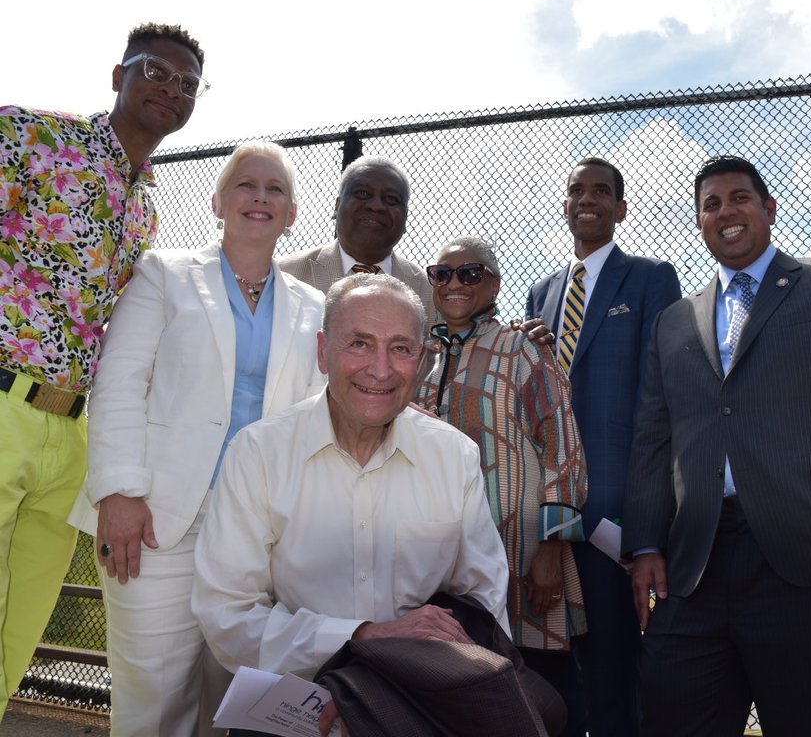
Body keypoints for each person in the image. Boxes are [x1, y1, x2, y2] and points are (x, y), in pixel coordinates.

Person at [623, 155, 811, 735]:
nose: (725, 212)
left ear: (769, 209)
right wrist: (644, 543)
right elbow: (651, 440)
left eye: (739, 198)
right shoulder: (674, 321)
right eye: (711, 204)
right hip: (698, 563)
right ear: (699, 222)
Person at [64, 142, 325, 736]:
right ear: (217, 201)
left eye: (275, 189)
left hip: (261, 534)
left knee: (234, 703)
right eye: (245, 184)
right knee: (153, 701)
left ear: (291, 214)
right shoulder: (162, 274)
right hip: (155, 521)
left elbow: (316, 417)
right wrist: (119, 492)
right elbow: (121, 382)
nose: (259, 196)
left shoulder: (317, 309)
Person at [0, 22, 205, 718]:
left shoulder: (146, 210)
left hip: (74, 445)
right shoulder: (29, 138)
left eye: (187, 84)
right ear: (117, 75)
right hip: (3, 408)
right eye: (156, 71)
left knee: (17, 633)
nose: (171, 90)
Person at [191, 274, 509, 719]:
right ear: (323, 352)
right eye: (358, 343)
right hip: (296, 700)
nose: (380, 369)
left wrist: (388, 698)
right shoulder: (259, 454)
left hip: (415, 696)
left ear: (420, 361)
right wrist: (359, 636)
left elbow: (484, 605)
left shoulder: (454, 457)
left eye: (400, 348)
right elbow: (226, 615)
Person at [524, 157, 681, 736]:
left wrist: (642, 527)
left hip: (611, 520)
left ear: (620, 207)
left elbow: (659, 402)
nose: (586, 199)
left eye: (601, 191)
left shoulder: (650, 278)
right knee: (552, 675)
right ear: (565, 205)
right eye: (575, 190)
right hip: (545, 517)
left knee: (616, 677)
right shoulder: (541, 292)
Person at [418, 235, 588, 730]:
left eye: (470, 273)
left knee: (539, 690)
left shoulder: (522, 348)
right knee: (459, 686)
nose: (454, 283)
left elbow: (563, 445)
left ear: (493, 282)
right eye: (442, 273)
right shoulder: (419, 354)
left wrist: (553, 549)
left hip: (522, 553)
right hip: (439, 556)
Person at [278, 155, 433, 314]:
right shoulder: (283, 275)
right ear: (337, 206)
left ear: (405, 218)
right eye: (362, 193)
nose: (376, 206)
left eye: (391, 199)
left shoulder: (430, 293)